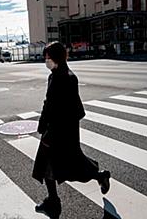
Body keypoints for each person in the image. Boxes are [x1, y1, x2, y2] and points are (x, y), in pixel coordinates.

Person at [33, 42, 110, 218]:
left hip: (59, 130)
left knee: (65, 165)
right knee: (61, 164)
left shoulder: (63, 77)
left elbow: (51, 105)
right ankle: (54, 201)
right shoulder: (60, 75)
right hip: (62, 129)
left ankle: (97, 177)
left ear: (56, 58)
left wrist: (43, 124)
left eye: (48, 57)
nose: (46, 61)